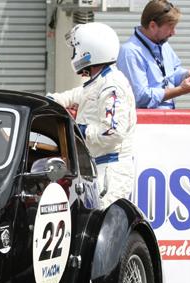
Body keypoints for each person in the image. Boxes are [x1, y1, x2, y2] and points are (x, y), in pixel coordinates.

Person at [48, 22, 137, 207]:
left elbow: (113, 132)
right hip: (98, 167)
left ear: (88, 51)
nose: (74, 54)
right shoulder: (99, 81)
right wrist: (49, 101)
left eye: (76, 49)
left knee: (101, 220)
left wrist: (77, 130)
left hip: (110, 172)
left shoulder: (112, 85)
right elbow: (74, 96)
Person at [117, 0, 190, 109]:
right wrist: (181, 90)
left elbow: (172, 74)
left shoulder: (163, 44)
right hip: (148, 119)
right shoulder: (130, 52)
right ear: (153, 26)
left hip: (167, 116)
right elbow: (140, 98)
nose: (174, 33)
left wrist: (187, 75)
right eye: (171, 27)